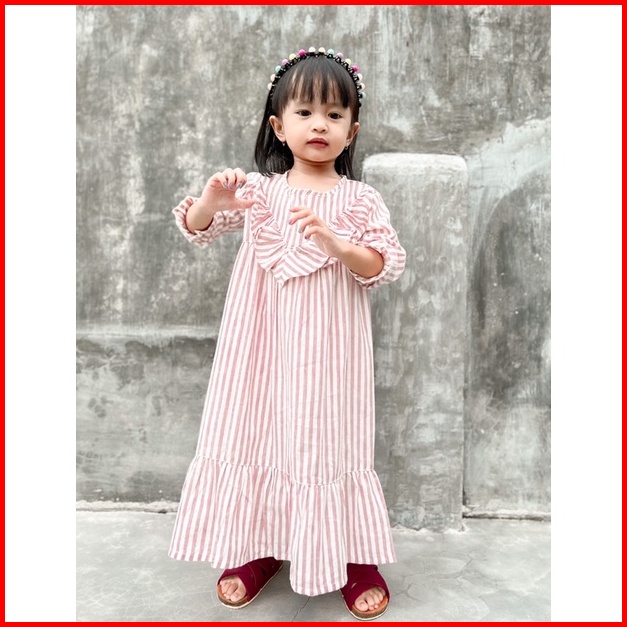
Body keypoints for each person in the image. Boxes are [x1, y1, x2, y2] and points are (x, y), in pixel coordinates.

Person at [169, 46, 406, 621]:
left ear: (351, 131)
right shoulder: (260, 191)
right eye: (304, 112)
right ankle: (262, 545)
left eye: (334, 114)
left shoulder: (359, 199)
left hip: (330, 353)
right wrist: (211, 200)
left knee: (331, 441)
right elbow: (199, 227)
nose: (319, 124)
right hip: (261, 349)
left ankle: (353, 556)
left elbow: (384, 263)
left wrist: (338, 244)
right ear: (279, 126)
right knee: (259, 435)